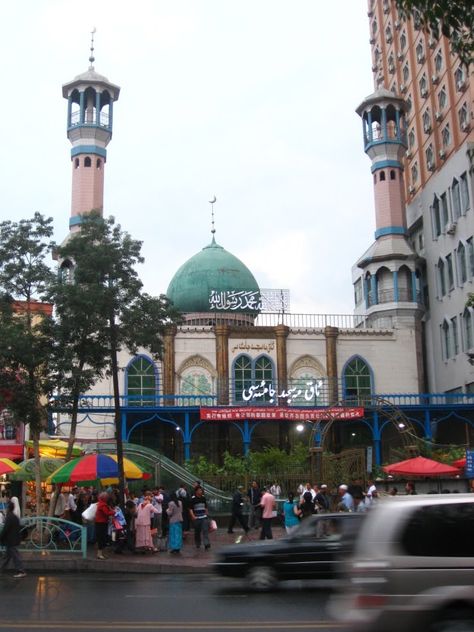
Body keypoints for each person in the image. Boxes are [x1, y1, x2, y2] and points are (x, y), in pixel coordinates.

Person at [0, 501, 26, 578]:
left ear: (8, 508)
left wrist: (1, 537)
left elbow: (5, 529)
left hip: (11, 540)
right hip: (13, 540)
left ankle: (21, 570)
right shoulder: (14, 517)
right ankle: (1, 569)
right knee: (7, 556)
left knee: (14, 556)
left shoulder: (9, 517)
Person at [95, 492, 115, 560]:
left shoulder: (100, 503)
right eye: (107, 497)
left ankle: (101, 553)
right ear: (105, 498)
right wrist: (114, 512)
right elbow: (107, 513)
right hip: (101, 523)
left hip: (100, 523)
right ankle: (99, 554)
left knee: (102, 538)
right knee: (101, 538)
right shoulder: (103, 505)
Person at [189, 486, 210, 550]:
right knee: (197, 531)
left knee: (205, 530)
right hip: (197, 518)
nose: (201, 491)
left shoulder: (203, 498)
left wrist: (207, 514)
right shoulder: (193, 499)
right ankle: (198, 543)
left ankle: (206, 543)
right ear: (196, 491)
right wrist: (193, 516)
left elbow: (206, 507)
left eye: (201, 490)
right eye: (199, 490)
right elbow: (190, 509)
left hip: (204, 517)